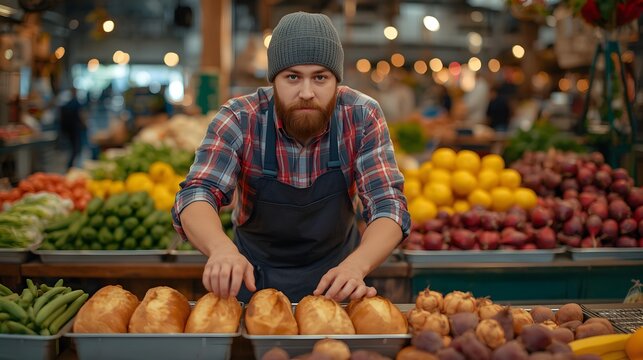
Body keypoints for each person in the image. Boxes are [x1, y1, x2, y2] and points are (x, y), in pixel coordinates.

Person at [172, 12, 410, 303]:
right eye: (293, 77)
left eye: (320, 77)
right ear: (274, 80)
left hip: (339, 281)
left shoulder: (361, 115)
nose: (307, 93)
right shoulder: (239, 118)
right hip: (252, 280)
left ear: (337, 81)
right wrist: (221, 249)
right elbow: (198, 191)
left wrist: (356, 265)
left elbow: (388, 204)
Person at [59, 88, 86, 169]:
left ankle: (70, 166)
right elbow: (82, 115)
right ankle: (71, 166)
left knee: (72, 149)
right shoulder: (77, 103)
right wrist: (85, 125)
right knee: (77, 149)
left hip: (69, 130)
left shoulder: (66, 104)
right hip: (76, 130)